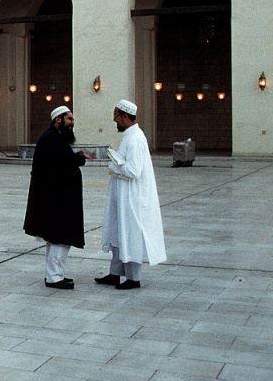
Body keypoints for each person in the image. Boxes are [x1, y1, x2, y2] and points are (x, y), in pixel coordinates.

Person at [23, 105, 95, 290]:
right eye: (69, 119)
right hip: (56, 200)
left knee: (56, 239)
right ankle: (54, 277)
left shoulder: (56, 138)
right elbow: (62, 163)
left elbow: (64, 159)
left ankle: (55, 275)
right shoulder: (50, 138)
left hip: (58, 198)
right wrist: (78, 158)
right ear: (58, 120)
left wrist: (78, 157)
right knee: (60, 238)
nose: (72, 123)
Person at [97, 99, 166, 289]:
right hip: (122, 195)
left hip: (132, 198)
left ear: (126, 116)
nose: (115, 121)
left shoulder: (135, 138)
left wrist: (114, 163)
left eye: (116, 117)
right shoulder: (128, 134)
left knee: (131, 235)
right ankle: (115, 273)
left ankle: (134, 278)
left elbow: (134, 170)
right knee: (118, 233)